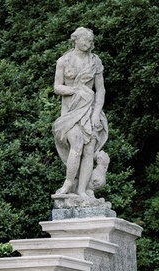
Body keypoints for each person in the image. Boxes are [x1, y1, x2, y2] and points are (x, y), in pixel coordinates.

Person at [53, 26, 109, 197]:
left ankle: (83, 190)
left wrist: (95, 114)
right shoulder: (64, 61)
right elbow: (57, 87)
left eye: (90, 41)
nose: (88, 43)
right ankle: (68, 183)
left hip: (90, 111)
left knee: (89, 149)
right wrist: (75, 90)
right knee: (76, 144)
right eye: (85, 40)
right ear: (75, 39)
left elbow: (100, 90)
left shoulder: (94, 61)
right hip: (70, 113)